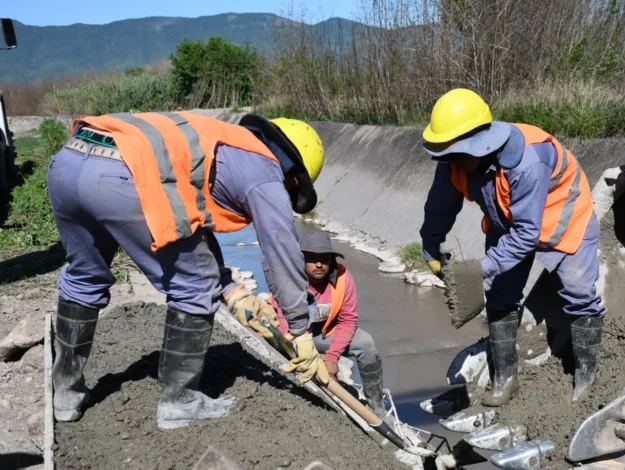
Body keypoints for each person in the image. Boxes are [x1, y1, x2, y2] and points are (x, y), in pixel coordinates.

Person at [48, 111, 331, 429]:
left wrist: (231, 288)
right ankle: (180, 402)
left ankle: (65, 394)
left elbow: (191, 222)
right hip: (124, 173)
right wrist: (301, 330)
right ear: (295, 173)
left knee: (85, 275)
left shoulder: (223, 141)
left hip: (71, 160)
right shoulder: (266, 169)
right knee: (196, 285)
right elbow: (281, 249)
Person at [419, 89, 607, 405]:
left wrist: (481, 269)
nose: (452, 161)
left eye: (457, 153)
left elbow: (526, 235)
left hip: (565, 216)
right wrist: (430, 246)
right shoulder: (455, 160)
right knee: (500, 295)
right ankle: (506, 379)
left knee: (578, 294)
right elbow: (440, 206)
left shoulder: (527, 160)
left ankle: (586, 379)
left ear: (481, 142)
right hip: (508, 223)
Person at [272, 230, 386, 416]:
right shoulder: (288, 277)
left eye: (324, 259)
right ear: (301, 259)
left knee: (366, 345)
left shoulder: (342, 277)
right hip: (290, 335)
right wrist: (301, 352)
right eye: (312, 258)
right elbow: (283, 319)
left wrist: (332, 358)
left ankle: (376, 407)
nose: (319, 264)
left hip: (323, 333)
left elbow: (348, 319)